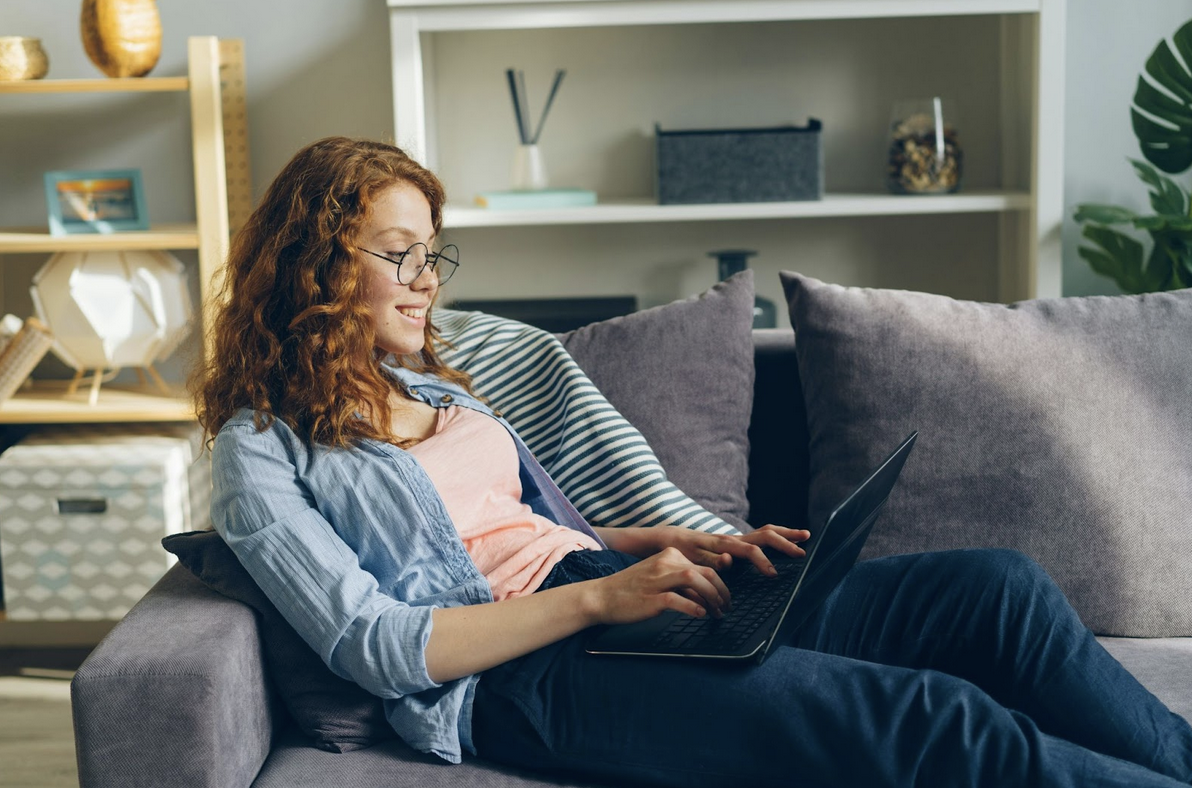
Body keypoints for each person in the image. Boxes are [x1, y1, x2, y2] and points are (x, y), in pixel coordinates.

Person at [194, 136, 1192, 788]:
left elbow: (528, 532)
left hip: (605, 593)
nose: (426, 281)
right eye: (398, 252)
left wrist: (671, 545)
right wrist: (600, 598)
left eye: (432, 255)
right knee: (924, 716)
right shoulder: (258, 449)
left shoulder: (435, 389)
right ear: (317, 261)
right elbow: (377, 644)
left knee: (994, 588)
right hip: (530, 670)